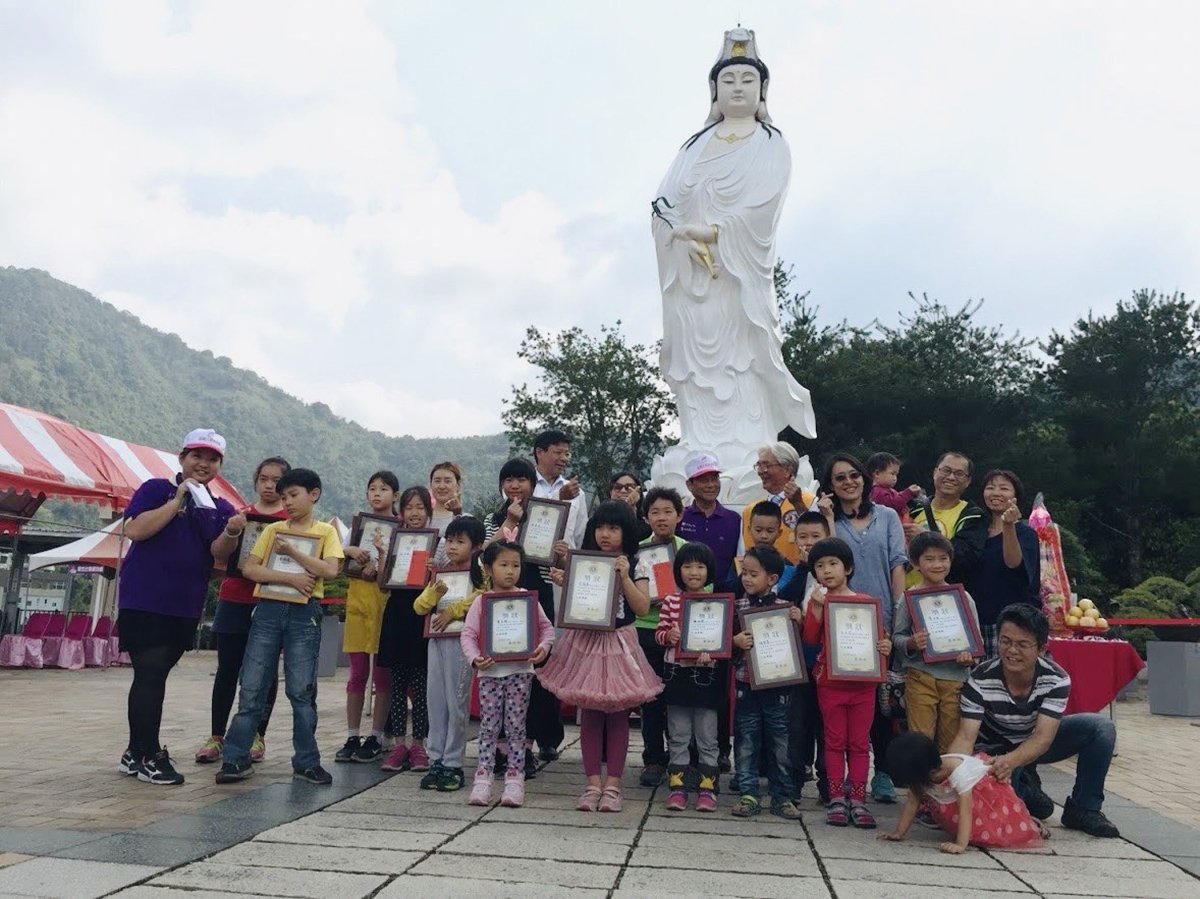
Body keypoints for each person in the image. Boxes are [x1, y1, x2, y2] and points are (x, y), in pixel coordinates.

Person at [651, 29, 814, 489]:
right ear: (715, 91)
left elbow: (763, 207)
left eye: (748, 79)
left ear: (762, 90)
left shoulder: (770, 142)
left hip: (737, 273)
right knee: (698, 366)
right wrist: (676, 230)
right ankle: (698, 447)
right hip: (691, 278)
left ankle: (753, 454)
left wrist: (717, 231)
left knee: (741, 359)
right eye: (729, 80)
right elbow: (662, 201)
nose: (738, 87)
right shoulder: (692, 147)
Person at [118, 429, 237, 786]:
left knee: (155, 674)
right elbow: (135, 530)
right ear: (182, 458)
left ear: (219, 465)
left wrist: (231, 532)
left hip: (185, 603)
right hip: (144, 598)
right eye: (197, 456)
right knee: (150, 672)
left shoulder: (221, 507)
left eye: (212, 458)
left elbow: (219, 554)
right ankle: (151, 755)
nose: (204, 463)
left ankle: (133, 752)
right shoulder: (156, 489)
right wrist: (177, 501)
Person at [216, 467, 343, 786]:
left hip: (304, 614)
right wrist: (291, 577)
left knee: (301, 690)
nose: (287, 501)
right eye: (284, 496)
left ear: (313, 494)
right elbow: (249, 569)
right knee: (253, 687)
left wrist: (292, 553)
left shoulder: (326, 532)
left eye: (293, 495)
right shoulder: (274, 531)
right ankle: (235, 757)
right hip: (268, 611)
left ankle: (306, 760)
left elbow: (330, 570)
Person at [949, 603, 1121, 838]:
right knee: (1032, 806)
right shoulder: (979, 678)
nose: (1012, 651)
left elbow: (1043, 738)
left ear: (1041, 648)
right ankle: (1029, 792)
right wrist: (952, 773)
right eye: (1005, 641)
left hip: (1032, 745)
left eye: (1022, 645)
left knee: (1101, 728)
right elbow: (966, 737)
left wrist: (1009, 762)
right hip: (993, 750)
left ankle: (1084, 808)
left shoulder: (1056, 679)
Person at [539, 500, 663, 813]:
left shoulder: (636, 562)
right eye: (600, 527)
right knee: (590, 714)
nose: (605, 534)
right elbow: (577, 606)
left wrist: (623, 576)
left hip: (620, 643)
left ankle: (614, 786)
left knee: (618, 714)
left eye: (613, 528)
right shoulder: (585, 560)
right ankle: (592, 783)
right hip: (586, 641)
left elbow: (641, 607)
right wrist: (565, 581)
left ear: (626, 531)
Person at [817, 452, 907, 804]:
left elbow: (898, 562)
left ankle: (882, 773)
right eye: (840, 478)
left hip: (880, 617)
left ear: (865, 478)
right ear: (830, 486)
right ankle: (837, 784)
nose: (849, 482)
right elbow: (825, 555)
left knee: (881, 703)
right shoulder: (831, 519)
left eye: (854, 475)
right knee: (843, 702)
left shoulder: (886, 516)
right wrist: (826, 516)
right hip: (840, 623)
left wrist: (898, 611)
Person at [195, 455, 289, 765]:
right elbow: (219, 556)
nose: (269, 485)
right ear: (256, 481)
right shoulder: (239, 515)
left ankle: (256, 735)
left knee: (265, 673)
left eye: (276, 480)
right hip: (234, 598)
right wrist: (233, 531)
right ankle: (217, 735)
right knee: (227, 670)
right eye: (264, 478)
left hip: (272, 602)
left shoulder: (292, 523)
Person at [802, 537, 893, 828]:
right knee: (834, 740)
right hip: (830, 682)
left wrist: (885, 648)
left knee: (858, 743)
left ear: (848, 568)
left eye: (833, 564)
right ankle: (836, 797)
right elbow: (810, 639)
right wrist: (815, 609)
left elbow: (879, 641)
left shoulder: (865, 604)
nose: (826, 570)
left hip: (863, 685)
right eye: (819, 566)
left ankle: (858, 798)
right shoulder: (819, 602)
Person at [462, 541, 556, 808]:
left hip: (520, 673)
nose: (510, 571)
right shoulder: (482, 601)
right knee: (489, 727)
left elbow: (546, 629)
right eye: (504, 565)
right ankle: (484, 777)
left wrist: (542, 648)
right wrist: (475, 658)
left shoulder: (527, 598)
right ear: (489, 568)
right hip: (490, 673)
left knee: (516, 726)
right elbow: (468, 635)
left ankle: (515, 779)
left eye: (515, 565)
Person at [486, 457, 564, 773]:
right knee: (505, 668)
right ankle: (502, 749)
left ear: (532, 484)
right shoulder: (495, 518)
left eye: (522, 480)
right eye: (509, 480)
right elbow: (484, 555)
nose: (515, 486)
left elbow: (555, 562)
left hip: (538, 596)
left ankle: (527, 746)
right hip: (502, 603)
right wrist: (509, 524)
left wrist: (560, 553)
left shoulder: (547, 516)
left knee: (535, 671)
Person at [412, 515, 487, 792]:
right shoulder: (440, 574)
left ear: (476, 546)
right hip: (436, 641)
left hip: (462, 644)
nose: (453, 547)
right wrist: (434, 595)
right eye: (450, 541)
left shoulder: (479, 575)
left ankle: (454, 762)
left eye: (460, 542)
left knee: (457, 701)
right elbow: (419, 608)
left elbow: (482, 597)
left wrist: (452, 610)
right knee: (436, 700)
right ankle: (436, 760)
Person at [729, 545, 802, 821]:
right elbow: (725, 644)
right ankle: (748, 793)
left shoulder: (787, 609)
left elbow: (799, 644)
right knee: (746, 740)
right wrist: (735, 642)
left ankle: (782, 796)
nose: (746, 579)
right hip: (746, 684)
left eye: (753, 574)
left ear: (772, 579)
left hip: (779, 687)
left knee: (780, 741)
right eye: (744, 573)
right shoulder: (738, 606)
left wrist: (800, 621)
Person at [881, 731, 1044, 853]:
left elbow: (966, 811)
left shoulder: (959, 774)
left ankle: (1033, 824)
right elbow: (912, 802)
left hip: (985, 801)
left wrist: (960, 844)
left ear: (928, 774)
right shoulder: (924, 773)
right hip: (958, 799)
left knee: (1003, 831)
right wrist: (898, 833)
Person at [893, 532, 981, 751]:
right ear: (915, 563)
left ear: (951, 561)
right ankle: (919, 785)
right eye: (929, 559)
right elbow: (897, 637)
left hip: (955, 679)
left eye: (943, 558)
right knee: (920, 741)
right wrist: (912, 643)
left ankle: (947, 783)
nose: (937, 565)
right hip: (920, 676)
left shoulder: (963, 598)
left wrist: (969, 658)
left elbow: (975, 643)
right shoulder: (909, 598)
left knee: (951, 743)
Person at [655, 541, 725, 812]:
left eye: (700, 566)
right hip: (677, 674)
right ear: (677, 570)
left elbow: (722, 643)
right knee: (678, 733)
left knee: (708, 735)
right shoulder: (671, 601)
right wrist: (669, 636)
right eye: (687, 566)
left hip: (706, 675)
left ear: (710, 571)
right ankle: (677, 788)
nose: (693, 572)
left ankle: (707, 790)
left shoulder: (717, 603)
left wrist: (714, 654)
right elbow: (660, 633)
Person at [336, 471, 398, 764]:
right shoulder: (357, 526)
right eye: (372, 488)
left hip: (387, 605)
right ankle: (351, 734)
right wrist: (349, 549)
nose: (377, 494)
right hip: (359, 603)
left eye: (383, 489)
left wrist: (381, 566)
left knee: (383, 673)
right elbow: (336, 559)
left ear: (395, 496)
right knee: (358, 673)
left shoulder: (400, 528)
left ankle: (375, 735)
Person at [376, 487, 434, 772]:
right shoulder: (394, 541)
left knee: (422, 685)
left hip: (422, 616)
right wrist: (382, 556)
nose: (414, 513)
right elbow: (382, 584)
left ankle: (420, 745)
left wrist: (436, 569)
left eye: (420, 507)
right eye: (409, 508)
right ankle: (399, 744)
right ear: (401, 513)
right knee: (398, 683)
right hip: (397, 614)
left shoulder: (437, 542)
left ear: (429, 512)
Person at [778, 510, 831, 804]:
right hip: (799, 664)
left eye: (816, 537)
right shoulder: (794, 573)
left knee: (826, 727)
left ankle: (828, 784)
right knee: (797, 724)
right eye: (803, 538)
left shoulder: (836, 575)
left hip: (830, 666)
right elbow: (783, 597)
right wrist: (802, 567)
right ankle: (794, 782)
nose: (809, 544)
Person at [635, 487, 686, 787]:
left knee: (678, 698)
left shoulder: (689, 549)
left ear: (679, 515)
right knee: (650, 698)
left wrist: (676, 599)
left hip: (679, 633)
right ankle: (653, 758)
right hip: (645, 629)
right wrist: (646, 598)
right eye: (655, 512)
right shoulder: (637, 550)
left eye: (668, 511)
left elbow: (704, 589)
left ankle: (681, 758)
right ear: (646, 517)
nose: (662, 517)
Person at [965, 470, 1040, 656]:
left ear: (1015, 496)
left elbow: (1013, 563)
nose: (996, 492)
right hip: (974, 623)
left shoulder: (1025, 533)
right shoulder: (974, 529)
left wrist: (1008, 525)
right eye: (990, 488)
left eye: (1004, 488)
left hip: (1013, 624)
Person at [905, 452, 987, 587]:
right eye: (946, 470)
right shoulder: (912, 510)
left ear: (968, 481)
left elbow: (966, 558)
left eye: (959, 473)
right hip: (905, 594)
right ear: (935, 472)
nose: (951, 477)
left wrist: (925, 537)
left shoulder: (974, 516)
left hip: (946, 596)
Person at [742, 443, 816, 564]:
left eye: (766, 465)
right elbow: (741, 552)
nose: (761, 472)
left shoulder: (810, 502)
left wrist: (799, 505)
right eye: (759, 466)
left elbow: (818, 542)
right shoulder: (750, 510)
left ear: (787, 470)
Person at [676, 453, 740, 586]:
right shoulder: (680, 517)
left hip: (724, 597)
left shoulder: (734, 519)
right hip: (687, 596)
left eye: (715, 478)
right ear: (689, 485)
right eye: (704, 480)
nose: (711, 485)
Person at [865, 452, 921, 525]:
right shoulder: (877, 492)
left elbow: (898, 498)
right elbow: (894, 504)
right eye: (892, 473)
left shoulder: (886, 490)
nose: (895, 478)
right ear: (877, 473)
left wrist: (912, 495)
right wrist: (909, 492)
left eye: (896, 475)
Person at [429, 461, 464, 565]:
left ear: (457, 485)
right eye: (437, 481)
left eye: (447, 481)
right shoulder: (421, 518)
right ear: (431, 484)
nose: (442, 486)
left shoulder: (465, 518)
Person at [610, 471, 651, 542]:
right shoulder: (596, 520)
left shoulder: (648, 522)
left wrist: (631, 508)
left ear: (638, 492)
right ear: (610, 492)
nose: (623, 491)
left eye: (629, 487)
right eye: (618, 487)